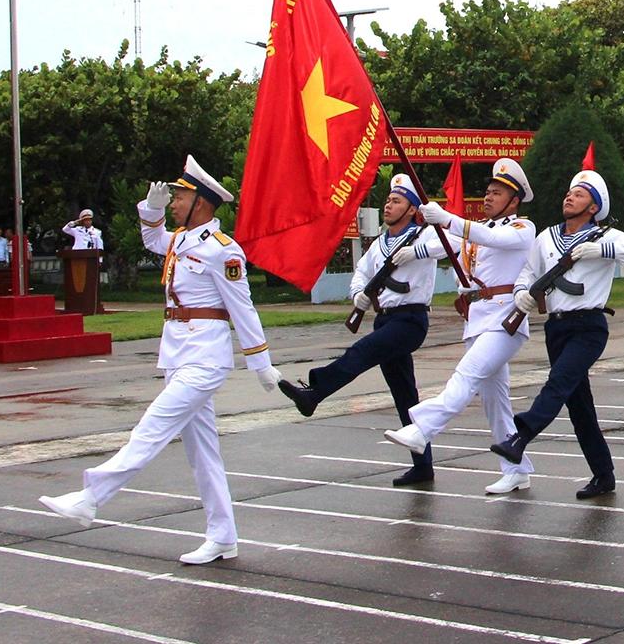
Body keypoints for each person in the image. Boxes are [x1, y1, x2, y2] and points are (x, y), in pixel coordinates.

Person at [38, 155, 281, 565]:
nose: (174, 203)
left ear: (201, 202)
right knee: (203, 455)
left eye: (180, 197)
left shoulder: (223, 251)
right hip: (178, 354)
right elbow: (153, 239)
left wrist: (261, 364)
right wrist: (150, 210)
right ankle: (223, 536)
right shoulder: (182, 240)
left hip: (204, 357)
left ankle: (91, 496)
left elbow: (243, 308)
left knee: (152, 427)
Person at [490, 169, 624, 499]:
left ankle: (520, 436)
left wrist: (603, 251)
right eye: (570, 193)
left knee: (558, 382)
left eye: (579, 195)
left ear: (593, 208)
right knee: (579, 407)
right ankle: (603, 475)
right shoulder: (546, 237)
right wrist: (522, 293)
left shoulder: (604, 237)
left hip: (588, 326)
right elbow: (528, 272)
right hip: (557, 327)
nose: (569, 197)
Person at [276, 174, 447, 487]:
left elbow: (453, 246)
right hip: (385, 319)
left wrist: (418, 252)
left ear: (412, 209)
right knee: (405, 396)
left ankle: (315, 392)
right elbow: (361, 273)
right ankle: (423, 465)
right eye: (388, 200)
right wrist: (359, 295)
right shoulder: (380, 243)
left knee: (361, 352)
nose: (388, 205)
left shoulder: (424, 235)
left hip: (410, 320)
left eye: (396, 201)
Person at [384, 159, 540, 495]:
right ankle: (516, 470)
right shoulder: (476, 229)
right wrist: (416, 246)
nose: (488, 197)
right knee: (495, 401)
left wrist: (447, 218)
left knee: (466, 375)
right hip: (477, 319)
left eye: (497, 193)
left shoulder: (522, 229)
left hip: (505, 320)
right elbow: (443, 245)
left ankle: (422, 428)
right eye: (488, 191)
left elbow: (486, 236)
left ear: (514, 201)